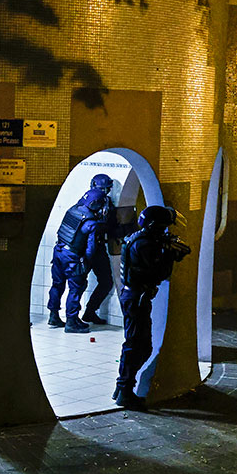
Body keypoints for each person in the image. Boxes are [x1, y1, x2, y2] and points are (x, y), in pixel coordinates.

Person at [115, 205, 191, 410]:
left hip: (135, 296)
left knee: (138, 345)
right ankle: (124, 391)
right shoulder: (144, 245)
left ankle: (122, 387)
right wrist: (171, 256)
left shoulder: (139, 238)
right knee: (137, 346)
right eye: (164, 226)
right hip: (136, 298)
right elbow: (159, 273)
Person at [47, 188, 111, 333]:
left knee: (57, 285)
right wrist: (86, 264)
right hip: (72, 257)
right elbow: (91, 248)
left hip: (58, 251)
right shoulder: (91, 222)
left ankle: (53, 316)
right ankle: (71, 322)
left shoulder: (73, 209)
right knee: (76, 288)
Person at [79, 174, 117, 325]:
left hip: (98, 247)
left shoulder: (108, 204)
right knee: (78, 284)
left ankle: (90, 311)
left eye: (106, 189)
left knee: (106, 282)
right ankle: (71, 317)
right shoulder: (85, 202)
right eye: (102, 189)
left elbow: (111, 224)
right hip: (84, 248)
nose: (104, 192)